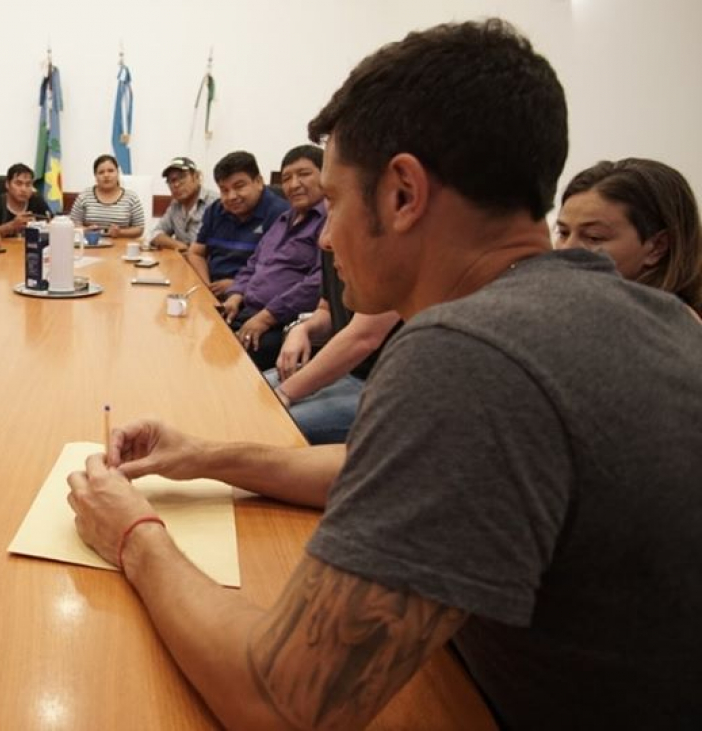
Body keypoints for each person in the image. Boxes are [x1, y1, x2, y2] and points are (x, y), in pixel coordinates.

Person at [66, 19, 702, 728]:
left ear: (403, 193)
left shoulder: (469, 353)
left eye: (335, 201)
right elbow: (392, 475)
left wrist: (132, 533)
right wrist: (203, 456)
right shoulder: (647, 315)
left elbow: (281, 700)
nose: (327, 235)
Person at [269, 251, 401, 444]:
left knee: (274, 423)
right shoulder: (332, 247)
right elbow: (326, 311)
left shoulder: (390, 255)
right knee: (250, 393)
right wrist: (302, 329)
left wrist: (285, 393)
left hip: (382, 387)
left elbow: (363, 338)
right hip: (345, 372)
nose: (324, 239)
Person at [221, 145, 326, 369]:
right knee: (201, 334)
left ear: (326, 176)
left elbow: (319, 281)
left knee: (231, 362)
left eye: (304, 174)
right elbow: (254, 263)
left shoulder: (329, 222)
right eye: (287, 178)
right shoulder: (283, 219)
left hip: (282, 323)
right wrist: (235, 294)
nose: (294, 184)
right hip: (248, 310)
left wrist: (267, 317)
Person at [556, 157, 702, 313]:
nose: (567, 249)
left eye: (594, 237)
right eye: (563, 233)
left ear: (658, 247)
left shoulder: (680, 329)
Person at [187, 151, 289, 297]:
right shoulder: (216, 210)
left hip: (255, 296)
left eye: (239, 186)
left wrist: (238, 285)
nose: (231, 196)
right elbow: (196, 253)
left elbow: (280, 271)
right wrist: (206, 288)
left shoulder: (281, 214)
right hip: (215, 291)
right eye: (224, 190)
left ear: (259, 182)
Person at [68, 154, 145, 238]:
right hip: (90, 246)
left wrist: (121, 232)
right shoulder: (84, 196)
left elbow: (139, 228)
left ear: (117, 173)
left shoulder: (131, 197)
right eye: (101, 172)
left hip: (122, 247)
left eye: (111, 171)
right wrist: (85, 230)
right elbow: (73, 225)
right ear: (95, 176)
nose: (106, 175)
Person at [149, 157, 217, 252]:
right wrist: (180, 246)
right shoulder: (175, 205)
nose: (176, 184)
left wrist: (192, 253)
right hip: (183, 262)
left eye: (182, 177)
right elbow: (155, 233)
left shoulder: (215, 203)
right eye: (171, 181)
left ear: (196, 177)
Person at [0, 163, 50, 238]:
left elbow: (51, 223)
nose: (24, 189)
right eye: (18, 183)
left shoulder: (37, 201)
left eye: (28, 184)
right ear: (7, 184)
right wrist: (12, 226)